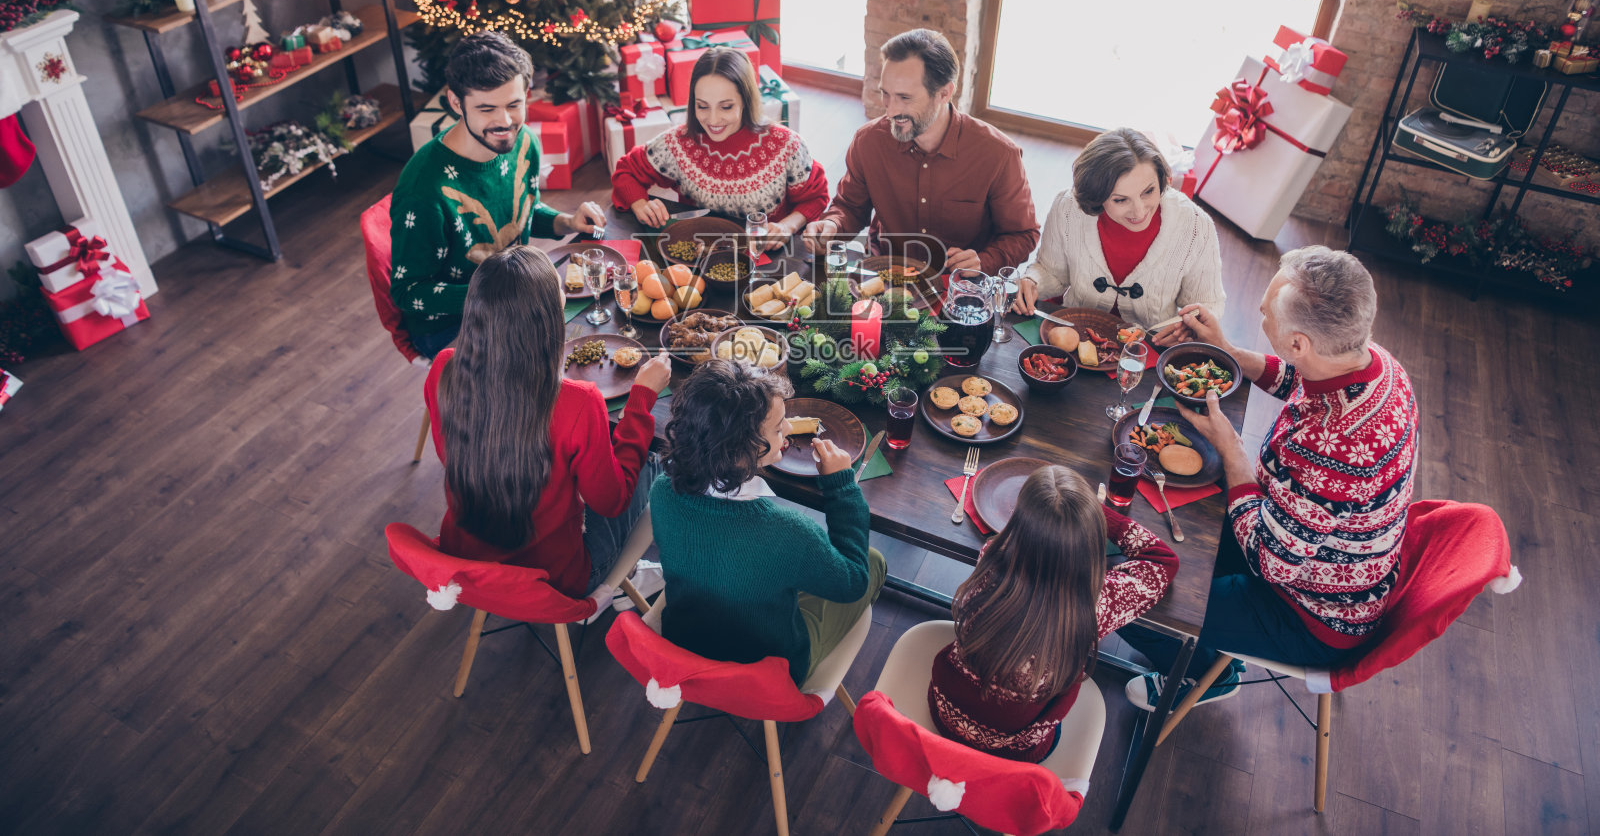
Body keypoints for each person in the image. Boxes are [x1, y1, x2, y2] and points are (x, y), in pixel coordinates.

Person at [1121, 246, 1417, 712]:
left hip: (1307, 613)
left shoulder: (1333, 449)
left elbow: (1269, 562)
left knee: (1123, 589)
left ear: (1299, 343)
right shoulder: (1372, 362)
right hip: (1322, 556)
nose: (1259, 317)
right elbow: (1299, 381)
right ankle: (1207, 642)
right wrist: (1229, 355)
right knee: (1161, 533)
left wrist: (1232, 450)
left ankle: (1204, 675)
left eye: (1265, 315)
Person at [423, 245, 672, 610]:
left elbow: (451, 455)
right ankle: (619, 586)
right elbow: (613, 501)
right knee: (655, 460)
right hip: (556, 583)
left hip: (469, 565)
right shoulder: (576, 401)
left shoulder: (444, 367)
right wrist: (641, 400)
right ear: (547, 323)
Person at [650, 360, 887, 685]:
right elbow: (853, 583)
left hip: (685, 644)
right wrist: (843, 487)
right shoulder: (787, 531)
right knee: (872, 562)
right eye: (777, 428)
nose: (788, 429)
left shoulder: (662, 491)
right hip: (769, 674)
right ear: (740, 451)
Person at [929, 465, 1177, 763]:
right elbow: (1163, 559)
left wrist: (1055, 508)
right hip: (1013, 747)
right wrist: (1093, 513)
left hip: (946, 711)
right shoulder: (1093, 606)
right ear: (1089, 541)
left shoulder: (990, 557)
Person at [391, 30, 609, 357]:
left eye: (513, 105)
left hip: (517, 293)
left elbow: (519, 211)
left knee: (600, 327)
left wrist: (567, 222)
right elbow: (408, 292)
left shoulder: (523, 144)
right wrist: (499, 296)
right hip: (451, 325)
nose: (504, 121)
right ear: (455, 102)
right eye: (486, 109)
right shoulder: (423, 191)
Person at [802, 29, 1039, 275]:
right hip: (885, 276)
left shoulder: (998, 154)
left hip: (957, 288)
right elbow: (850, 207)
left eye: (905, 98)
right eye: (885, 93)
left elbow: (1023, 234)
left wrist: (984, 261)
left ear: (945, 93)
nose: (891, 111)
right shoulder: (868, 141)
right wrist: (832, 224)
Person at [1014, 128, 1225, 347]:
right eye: (1120, 200)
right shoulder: (1068, 208)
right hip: (1075, 337)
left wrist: (1187, 325)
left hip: (1150, 349)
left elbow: (1208, 303)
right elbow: (1052, 272)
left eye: (1149, 191)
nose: (1140, 211)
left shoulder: (1195, 225)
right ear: (1097, 198)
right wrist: (1032, 281)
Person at [611, 47, 828, 250]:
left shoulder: (787, 145)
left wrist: (787, 226)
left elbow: (815, 198)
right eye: (702, 106)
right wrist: (639, 203)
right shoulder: (678, 142)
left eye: (726, 107)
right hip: (699, 257)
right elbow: (627, 170)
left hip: (766, 258)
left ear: (746, 100)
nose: (713, 119)